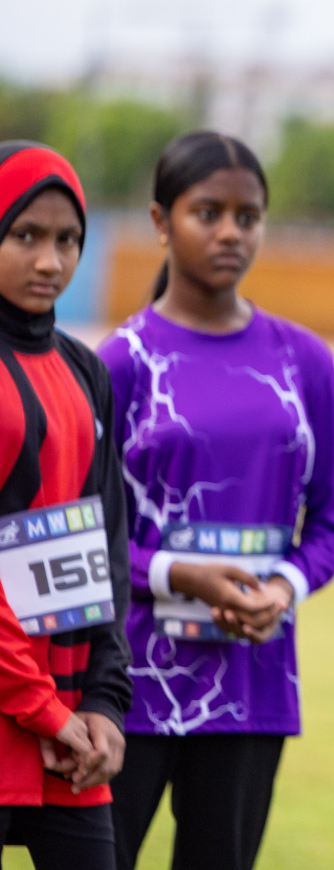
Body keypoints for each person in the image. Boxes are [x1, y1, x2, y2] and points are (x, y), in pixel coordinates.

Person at [98, 130, 334, 870]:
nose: (229, 233)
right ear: (160, 221)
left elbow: (333, 523)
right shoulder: (122, 361)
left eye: (248, 216)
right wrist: (180, 576)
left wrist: (281, 588)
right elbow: (93, 533)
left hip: (253, 684)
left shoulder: (303, 360)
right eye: (206, 212)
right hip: (129, 687)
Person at [0, 141, 132, 870]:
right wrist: (41, 704)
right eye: (25, 236)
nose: (50, 261)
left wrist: (106, 702)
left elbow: (103, 551)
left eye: (67, 239)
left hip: (70, 726)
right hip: (30, 704)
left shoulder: (85, 371)